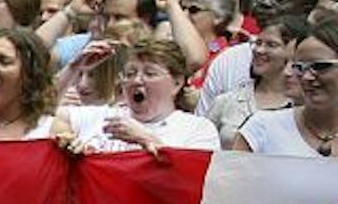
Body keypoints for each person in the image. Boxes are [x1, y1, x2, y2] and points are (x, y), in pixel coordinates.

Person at [56, 37, 219, 154]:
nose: (137, 80)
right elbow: (37, 113)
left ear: (176, 83)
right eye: (130, 73)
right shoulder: (104, 116)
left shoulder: (197, 129)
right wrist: (73, 68)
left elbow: (193, 181)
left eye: (150, 73)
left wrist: (145, 140)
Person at [233, 17, 338, 159]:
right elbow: (233, 179)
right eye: (299, 68)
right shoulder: (263, 129)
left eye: (319, 66)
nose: (307, 77)